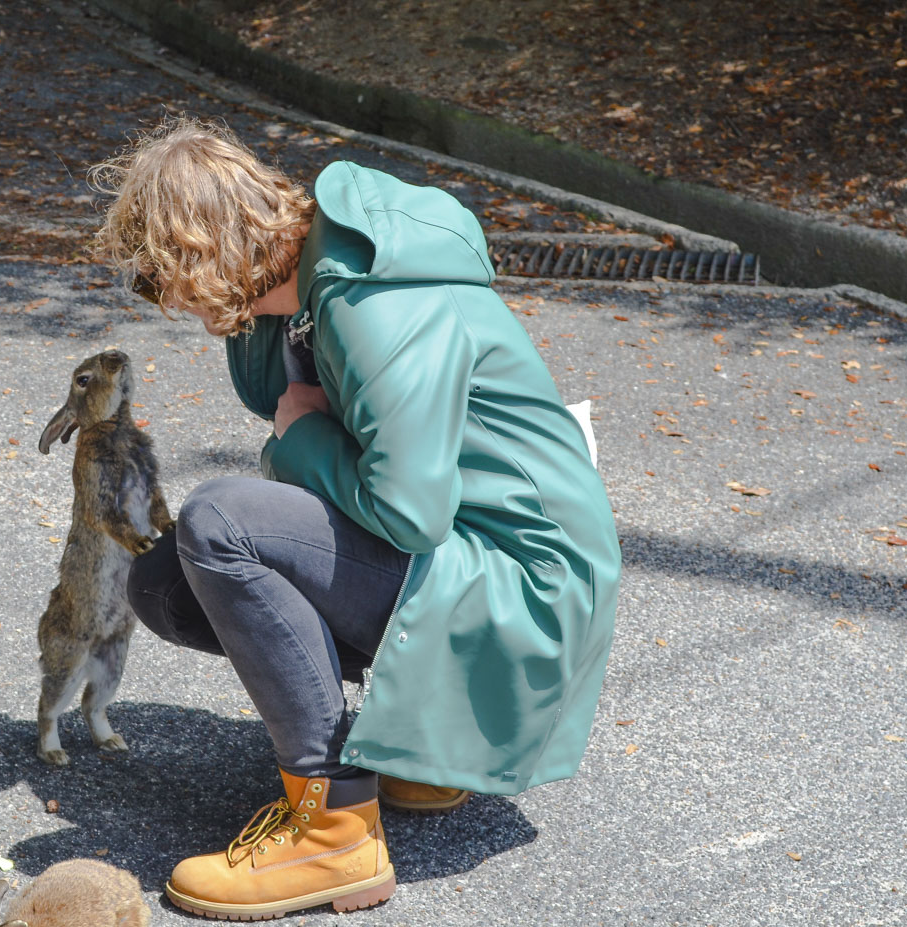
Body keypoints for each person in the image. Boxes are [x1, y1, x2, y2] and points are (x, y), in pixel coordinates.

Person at [91, 117, 621, 920]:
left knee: (220, 522)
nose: (160, 299)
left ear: (197, 256)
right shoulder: (304, 289)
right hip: (478, 562)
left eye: (153, 275)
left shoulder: (372, 302)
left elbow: (407, 509)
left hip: (525, 599)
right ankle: (423, 740)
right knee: (167, 583)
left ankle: (334, 828)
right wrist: (291, 420)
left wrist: (299, 437)